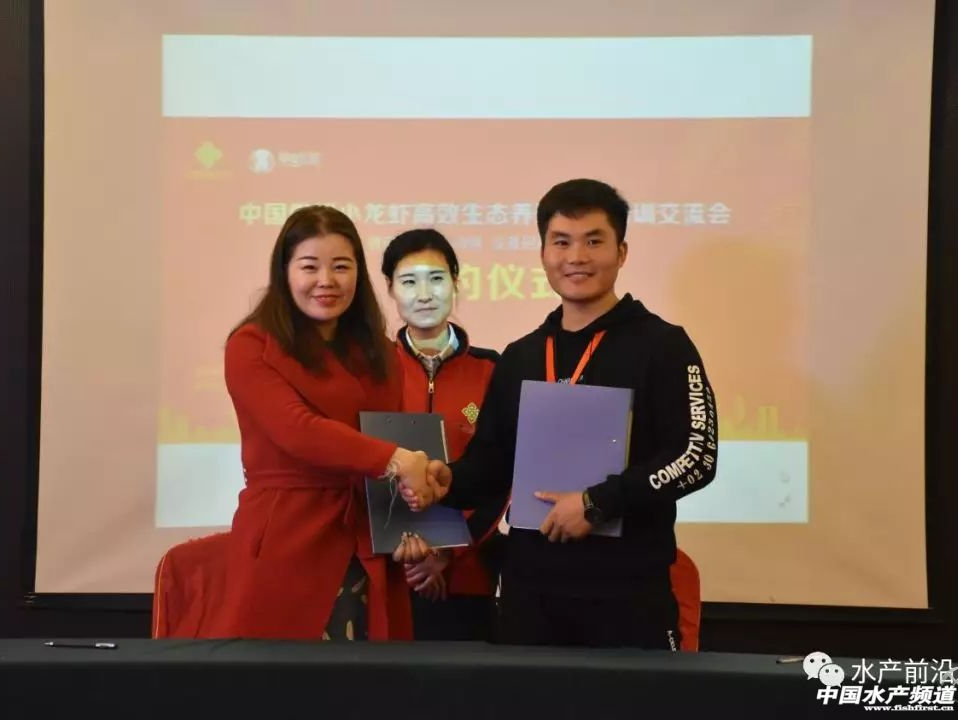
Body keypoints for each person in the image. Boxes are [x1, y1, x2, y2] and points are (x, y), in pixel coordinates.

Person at [415, 179, 719, 648]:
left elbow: (696, 456)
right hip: (530, 595)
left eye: (594, 241)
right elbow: (493, 463)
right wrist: (448, 481)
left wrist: (598, 503)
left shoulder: (663, 346)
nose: (576, 256)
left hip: (627, 595)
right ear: (543, 254)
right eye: (561, 242)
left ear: (621, 252)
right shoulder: (521, 356)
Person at [212, 205, 444, 641]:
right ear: (284, 272)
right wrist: (398, 460)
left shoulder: (378, 350)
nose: (326, 280)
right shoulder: (252, 345)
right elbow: (297, 429)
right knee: (287, 670)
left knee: (368, 673)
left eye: (341, 266)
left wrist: (423, 491)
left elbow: (390, 436)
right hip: (288, 533)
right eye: (309, 266)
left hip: (367, 536)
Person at [381, 229, 506, 641]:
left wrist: (449, 552)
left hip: (469, 573)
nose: (424, 294)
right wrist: (407, 552)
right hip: (390, 571)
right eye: (408, 281)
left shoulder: (493, 370)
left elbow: (503, 474)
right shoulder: (372, 369)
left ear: (455, 282)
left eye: (436, 279)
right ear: (390, 288)